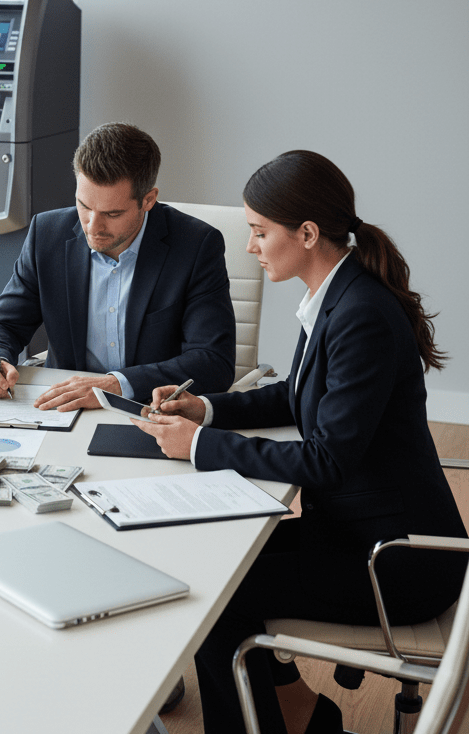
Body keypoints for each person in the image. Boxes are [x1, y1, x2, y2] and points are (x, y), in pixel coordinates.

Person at [130, 150, 468, 734]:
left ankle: (291, 717)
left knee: (216, 598)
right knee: (221, 566)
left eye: (260, 232)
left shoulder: (359, 312)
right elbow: (296, 396)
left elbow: (327, 460)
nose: (250, 246)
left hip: (396, 562)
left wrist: (198, 447)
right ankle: (300, 713)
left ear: (307, 233)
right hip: (355, 532)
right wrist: (206, 410)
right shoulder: (339, 295)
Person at [0, 122, 236, 411]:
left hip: (149, 411)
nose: (92, 227)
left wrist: (116, 385)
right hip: (65, 408)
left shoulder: (196, 246)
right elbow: (3, 323)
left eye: (112, 213)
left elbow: (213, 361)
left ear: (148, 199)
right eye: (84, 206)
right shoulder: (47, 235)